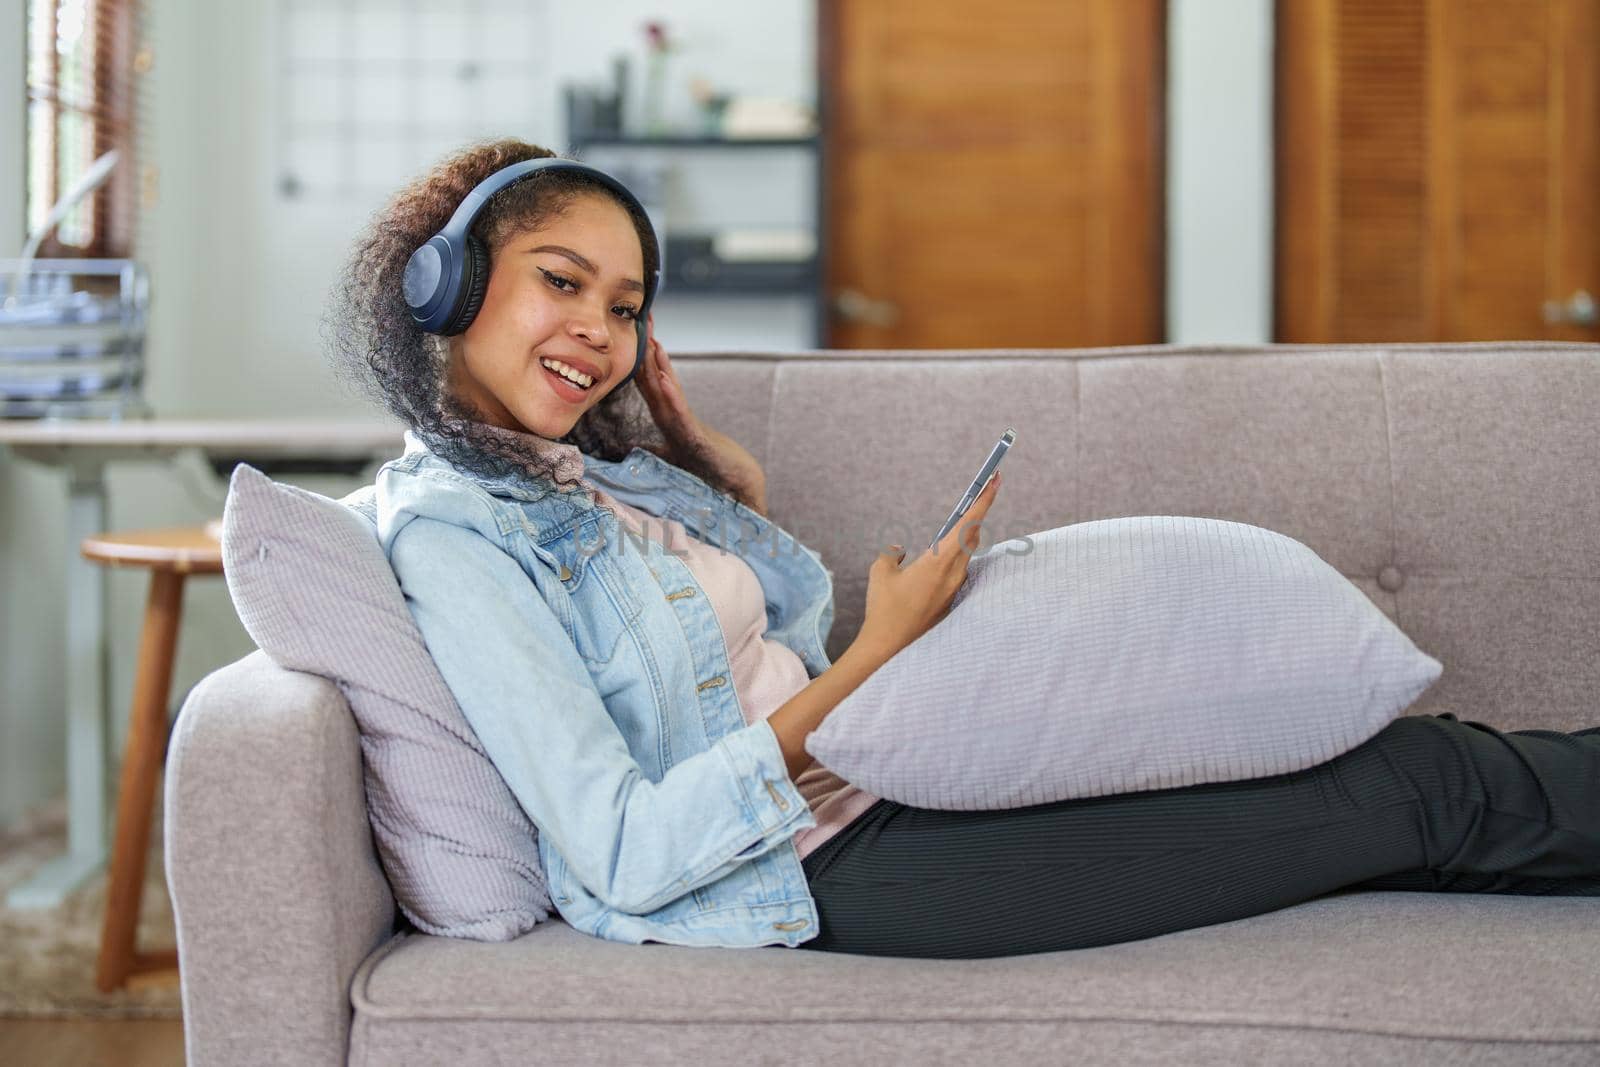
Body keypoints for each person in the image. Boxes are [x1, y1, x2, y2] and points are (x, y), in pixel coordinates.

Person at [326, 137, 1600, 960]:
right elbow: (623, 848)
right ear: (447, 285)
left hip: (892, 787)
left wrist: (701, 473)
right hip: (839, 872)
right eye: (560, 281)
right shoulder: (456, 538)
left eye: (622, 304)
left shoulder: (581, 486)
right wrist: (875, 658)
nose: (597, 329)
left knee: (1403, 764)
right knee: (1416, 792)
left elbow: (767, 626)